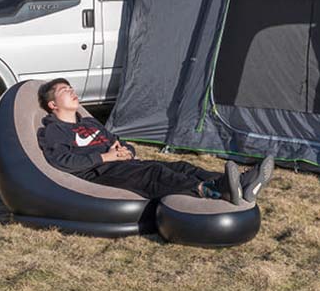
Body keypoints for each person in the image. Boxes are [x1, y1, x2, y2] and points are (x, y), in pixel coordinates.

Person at [36, 78, 273, 205]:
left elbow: (117, 141)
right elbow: (61, 161)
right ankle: (213, 190)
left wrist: (126, 150)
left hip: (122, 163)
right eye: (65, 90)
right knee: (155, 173)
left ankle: (239, 183)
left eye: (71, 87)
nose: (72, 91)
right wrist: (105, 156)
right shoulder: (54, 130)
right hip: (100, 172)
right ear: (53, 104)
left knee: (180, 166)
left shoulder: (89, 122)